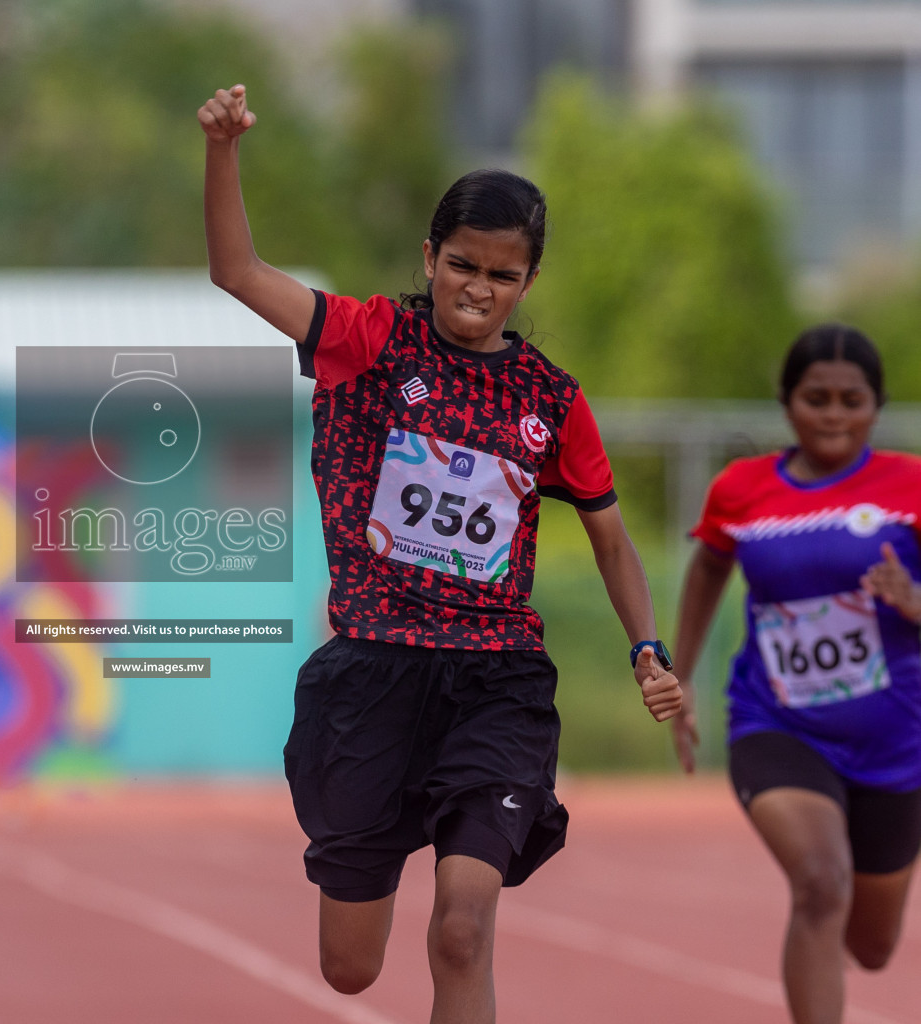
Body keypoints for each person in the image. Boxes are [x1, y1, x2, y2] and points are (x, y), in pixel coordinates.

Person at [199, 84, 682, 1022]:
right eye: (462, 265)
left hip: (495, 679)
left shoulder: (552, 400)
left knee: (462, 931)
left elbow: (612, 537)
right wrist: (223, 150)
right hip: (371, 677)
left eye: (503, 277)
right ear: (430, 256)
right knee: (350, 971)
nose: (478, 289)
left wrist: (645, 647)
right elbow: (236, 271)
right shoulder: (368, 339)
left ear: (529, 283)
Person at [671, 324, 921, 1024]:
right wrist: (681, 675)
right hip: (775, 724)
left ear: (877, 406)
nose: (834, 414)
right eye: (817, 398)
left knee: (871, 944)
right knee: (819, 882)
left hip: (894, 741)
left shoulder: (911, 486)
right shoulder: (743, 489)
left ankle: (831, 940)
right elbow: (711, 566)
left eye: (851, 399)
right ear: (787, 402)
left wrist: (915, 602)